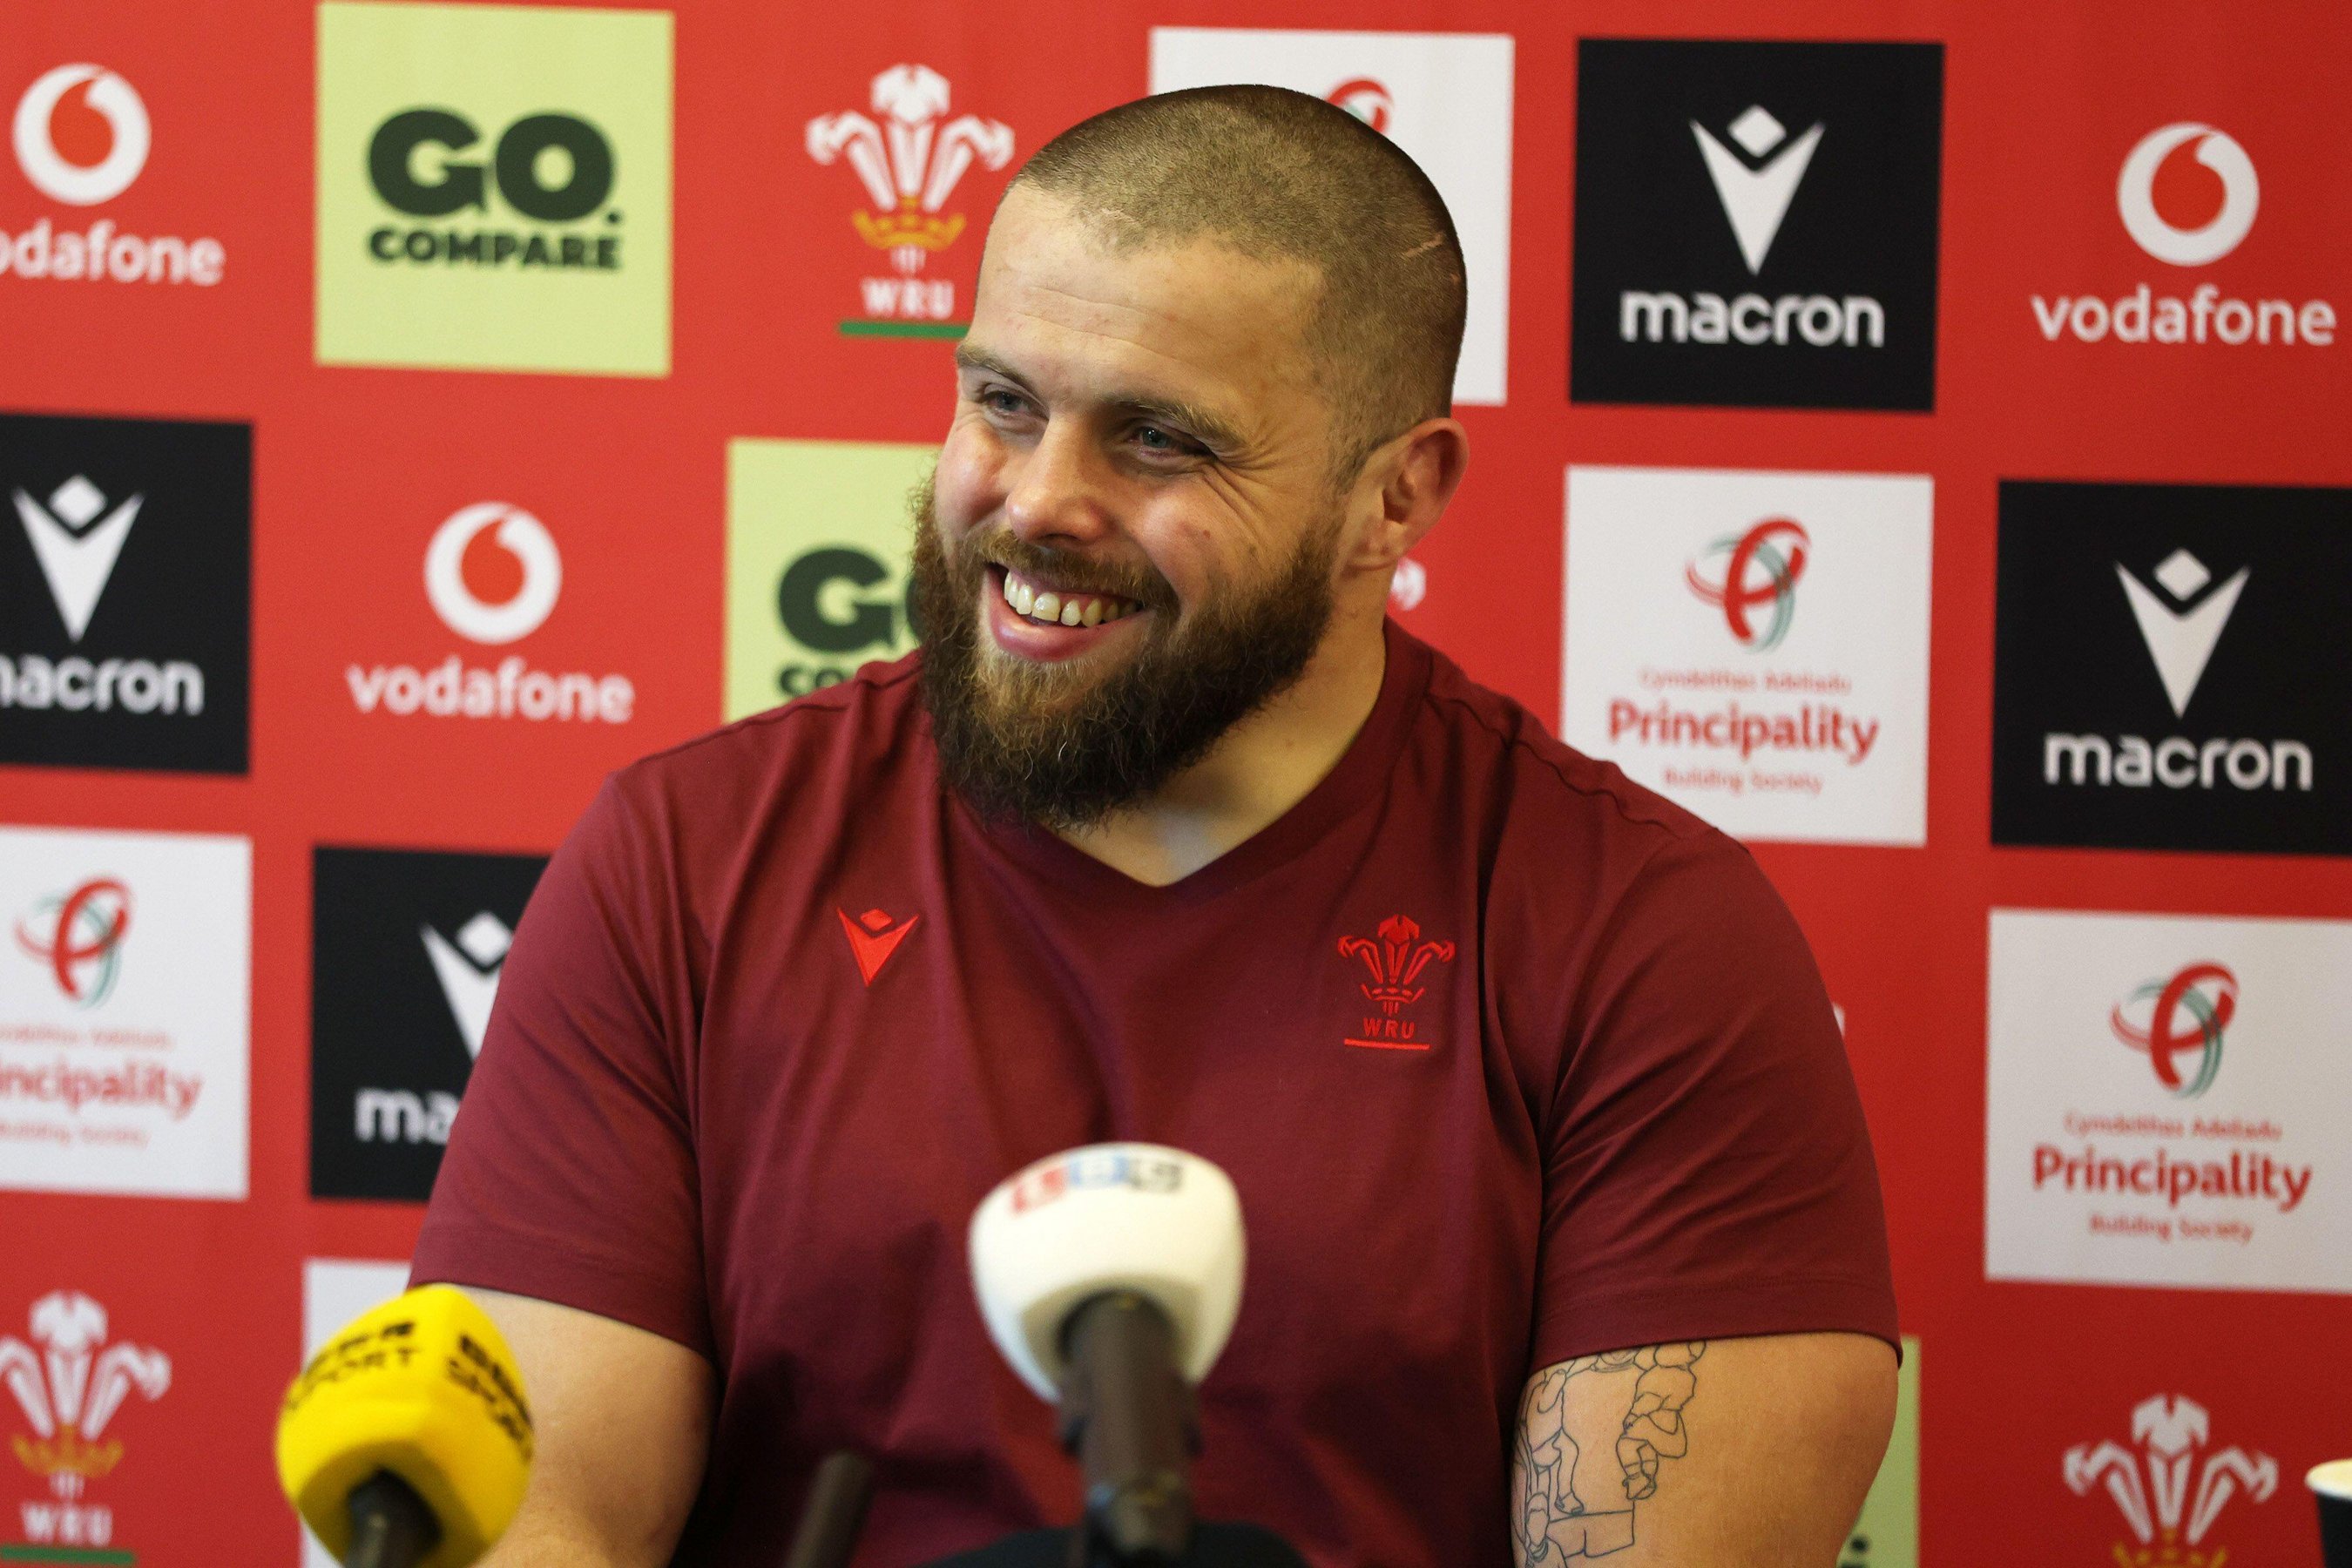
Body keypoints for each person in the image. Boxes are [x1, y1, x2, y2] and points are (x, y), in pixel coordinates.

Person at [412, 85, 1898, 1567]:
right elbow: (535, 1520)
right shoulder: (688, 860)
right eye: (1004, 404)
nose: (1038, 502)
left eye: (1161, 441)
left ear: (1394, 498)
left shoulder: (1643, 935)